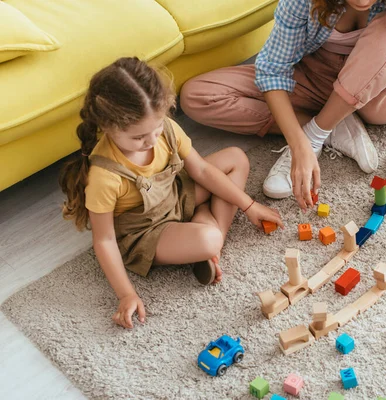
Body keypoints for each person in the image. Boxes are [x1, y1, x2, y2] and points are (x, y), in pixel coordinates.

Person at [180, 0, 386, 264]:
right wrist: (300, 145)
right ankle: (330, 125)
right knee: (197, 96)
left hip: (380, 96)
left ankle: (320, 127)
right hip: (315, 80)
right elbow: (272, 69)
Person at [59, 57, 283, 329]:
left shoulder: (165, 129)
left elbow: (200, 171)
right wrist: (126, 293)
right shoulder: (104, 176)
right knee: (209, 238)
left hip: (176, 195)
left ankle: (208, 236)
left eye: (155, 129)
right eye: (139, 137)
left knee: (236, 158)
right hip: (146, 232)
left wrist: (249, 206)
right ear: (108, 127)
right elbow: (104, 240)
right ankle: (209, 237)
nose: (151, 140)